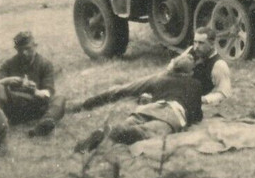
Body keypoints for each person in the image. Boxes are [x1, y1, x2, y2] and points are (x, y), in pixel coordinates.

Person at [71, 26, 232, 151]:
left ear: (212, 43)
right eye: (195, 41)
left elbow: (223, 92)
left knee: (141, 121)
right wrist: (160, 83)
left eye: (201, 43)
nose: (196, 46)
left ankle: (112, 131)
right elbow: (173, 67)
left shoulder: (219, 65)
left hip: (186, 96)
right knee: (125, 89)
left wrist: (203, 99)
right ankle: (86, 104)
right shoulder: (192, 51)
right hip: (169, 86)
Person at [0, 31, 65, 137]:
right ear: (16, 49)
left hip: (34, 105)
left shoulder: (45, 64)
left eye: (27, 48)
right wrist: (7, 81)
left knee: (59, 98)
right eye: (20, 50)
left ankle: (42, 126)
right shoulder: (9, 64)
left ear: (35, 46)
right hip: (14, 106)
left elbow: (48, 92)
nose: (24, 53)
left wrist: (35, 91)